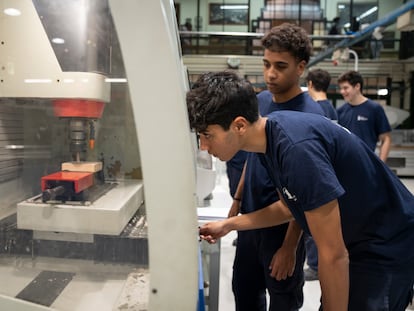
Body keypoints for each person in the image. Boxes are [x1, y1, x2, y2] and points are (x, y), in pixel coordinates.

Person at [187, 70, 414, 311]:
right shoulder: (270, 140)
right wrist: (229, 225)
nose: (204, 145)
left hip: (384, 244)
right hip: (357, 241)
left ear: (239, 125)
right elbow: (289, 206)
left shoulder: (297, 150)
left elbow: (333, 254)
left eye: (207, 135)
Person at [225, 23, 325, 311]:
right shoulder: (260, 101)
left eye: (280, 66)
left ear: (301, 67)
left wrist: (290, 246)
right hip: (251, 217)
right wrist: (238, 198)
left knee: (282, 297)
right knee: (245, 290)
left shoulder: (310, 116)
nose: (270, 73)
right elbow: (251, 153)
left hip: (283, 226)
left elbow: (308, 194)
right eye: (267, 64)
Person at [302, 68, 338, 281]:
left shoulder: (311, 109)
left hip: (315, 172)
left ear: (311, 84)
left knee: (312, 224)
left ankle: (315, 265)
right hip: (330, 170)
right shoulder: (332, 110)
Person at [337, 70, 391, 162]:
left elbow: (386, 139)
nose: (342, 91)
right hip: (344, 163)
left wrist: (381, 165)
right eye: (341, 88)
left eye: (345, 88)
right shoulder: (340, 111)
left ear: (357, 86)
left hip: (367, 163)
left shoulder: (374, 109)